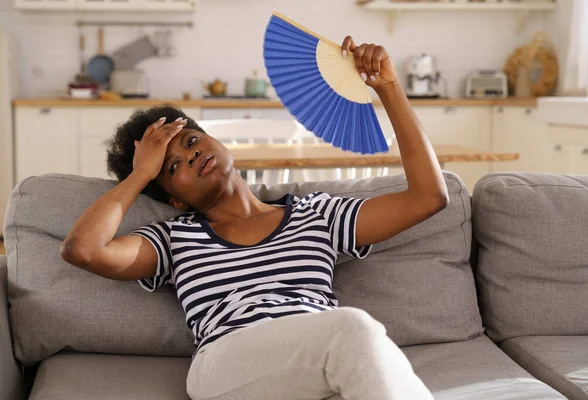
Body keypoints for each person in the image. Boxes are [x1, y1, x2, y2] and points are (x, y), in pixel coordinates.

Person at [60, 36, 448, 400]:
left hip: (323, 360)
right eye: (171, 166)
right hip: (228, 360)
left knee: (353, 339)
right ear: (174, 200)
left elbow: (429, 197)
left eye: (192, 142)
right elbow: (84, 249)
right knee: (355, 328)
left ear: (216, 142)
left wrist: (389, 88)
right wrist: (140, 173)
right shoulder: (174, 238)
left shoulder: (318, 215)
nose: (191, 156)